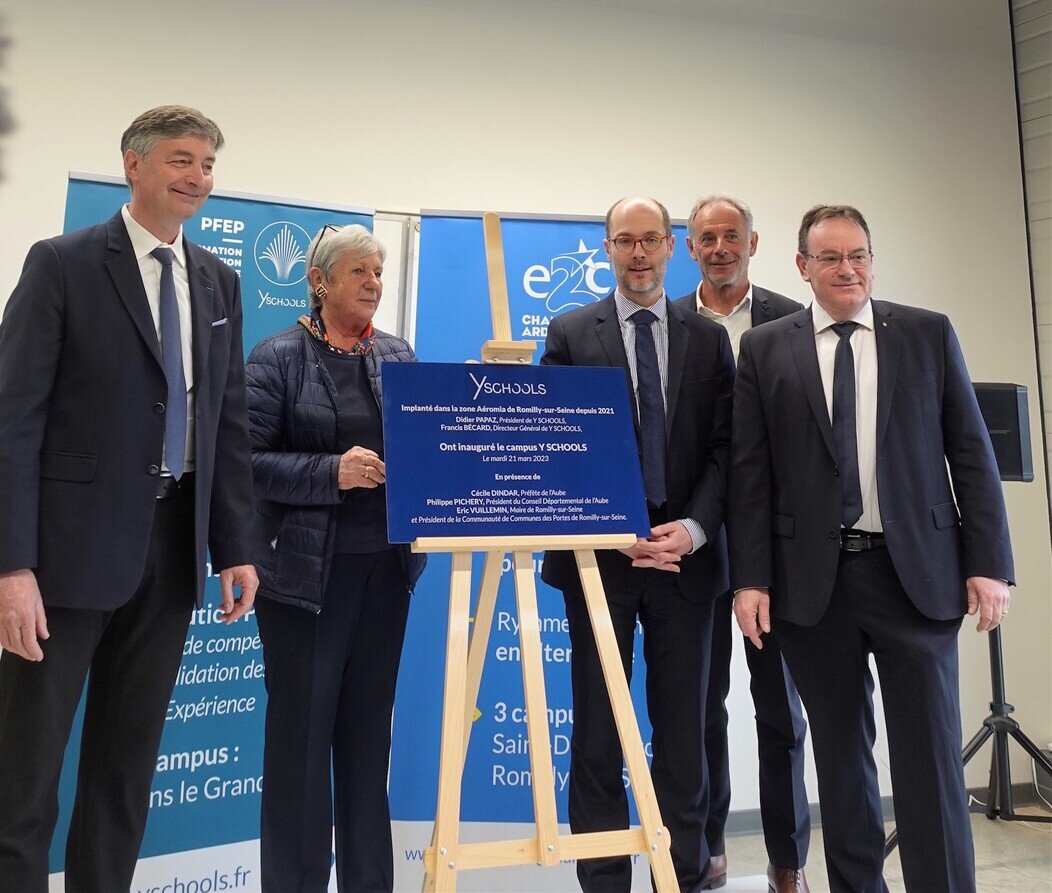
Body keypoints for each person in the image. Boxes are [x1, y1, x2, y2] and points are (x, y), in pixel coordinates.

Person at [0, 105, 257, 892]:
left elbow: (226, 421)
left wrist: (236, 543)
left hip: (171, 547)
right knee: (26, 772)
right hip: (64, 558)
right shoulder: (63, 263)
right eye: (182, 160)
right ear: (134, 165)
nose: (198, 178)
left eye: (208, 165)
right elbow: (13, 422)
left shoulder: (218, 279)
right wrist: (13, 568)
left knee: (123, 768)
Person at [729, 204, 1013, 892]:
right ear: (802, 266)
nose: (847, 268)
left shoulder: (925, 333)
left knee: (930, 758)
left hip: (914, 575)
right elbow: (751, 471)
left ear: (872, 260)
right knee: (841, 759)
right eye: (830, 257)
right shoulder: (766, 347)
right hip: (812, 584)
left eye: (858, 254)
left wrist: (989, 564)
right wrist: (751, 579)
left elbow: (970, 455)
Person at [541, 196, 734, 892]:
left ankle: (677, 872)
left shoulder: (709, 339)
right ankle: (602, 877)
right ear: (608, 248)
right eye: (625, 240)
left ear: (672, 246)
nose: (639, 253)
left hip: (687, 559)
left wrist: (691, 528)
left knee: (683, 731)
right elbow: (559, 446)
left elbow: (725, 451)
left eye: (651, 239)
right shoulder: (568, 333)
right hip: (600, 561)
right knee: (596, 731)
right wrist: (611, 528)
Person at [245, 224, 426, 892]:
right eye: (359, 271)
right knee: (299, 750)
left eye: (379, 271)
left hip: (385, 576)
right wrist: (331, 472)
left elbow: (426, 448)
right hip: (304, 583)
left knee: (365, 748)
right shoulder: (276, 357)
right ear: (318, 281)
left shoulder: (399, 355)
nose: (374, 283)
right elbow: (246, 464)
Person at [674, 195, 810, 893]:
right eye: (707, 236)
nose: (720, 246)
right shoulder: (668, 324)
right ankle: (706, 847)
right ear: (689, 247)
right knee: (699, 705)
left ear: (753, 243)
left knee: (779, 709)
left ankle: (787, 861)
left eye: (732, 235)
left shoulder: (793, 317)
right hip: (695, 542)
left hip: (775, 547)